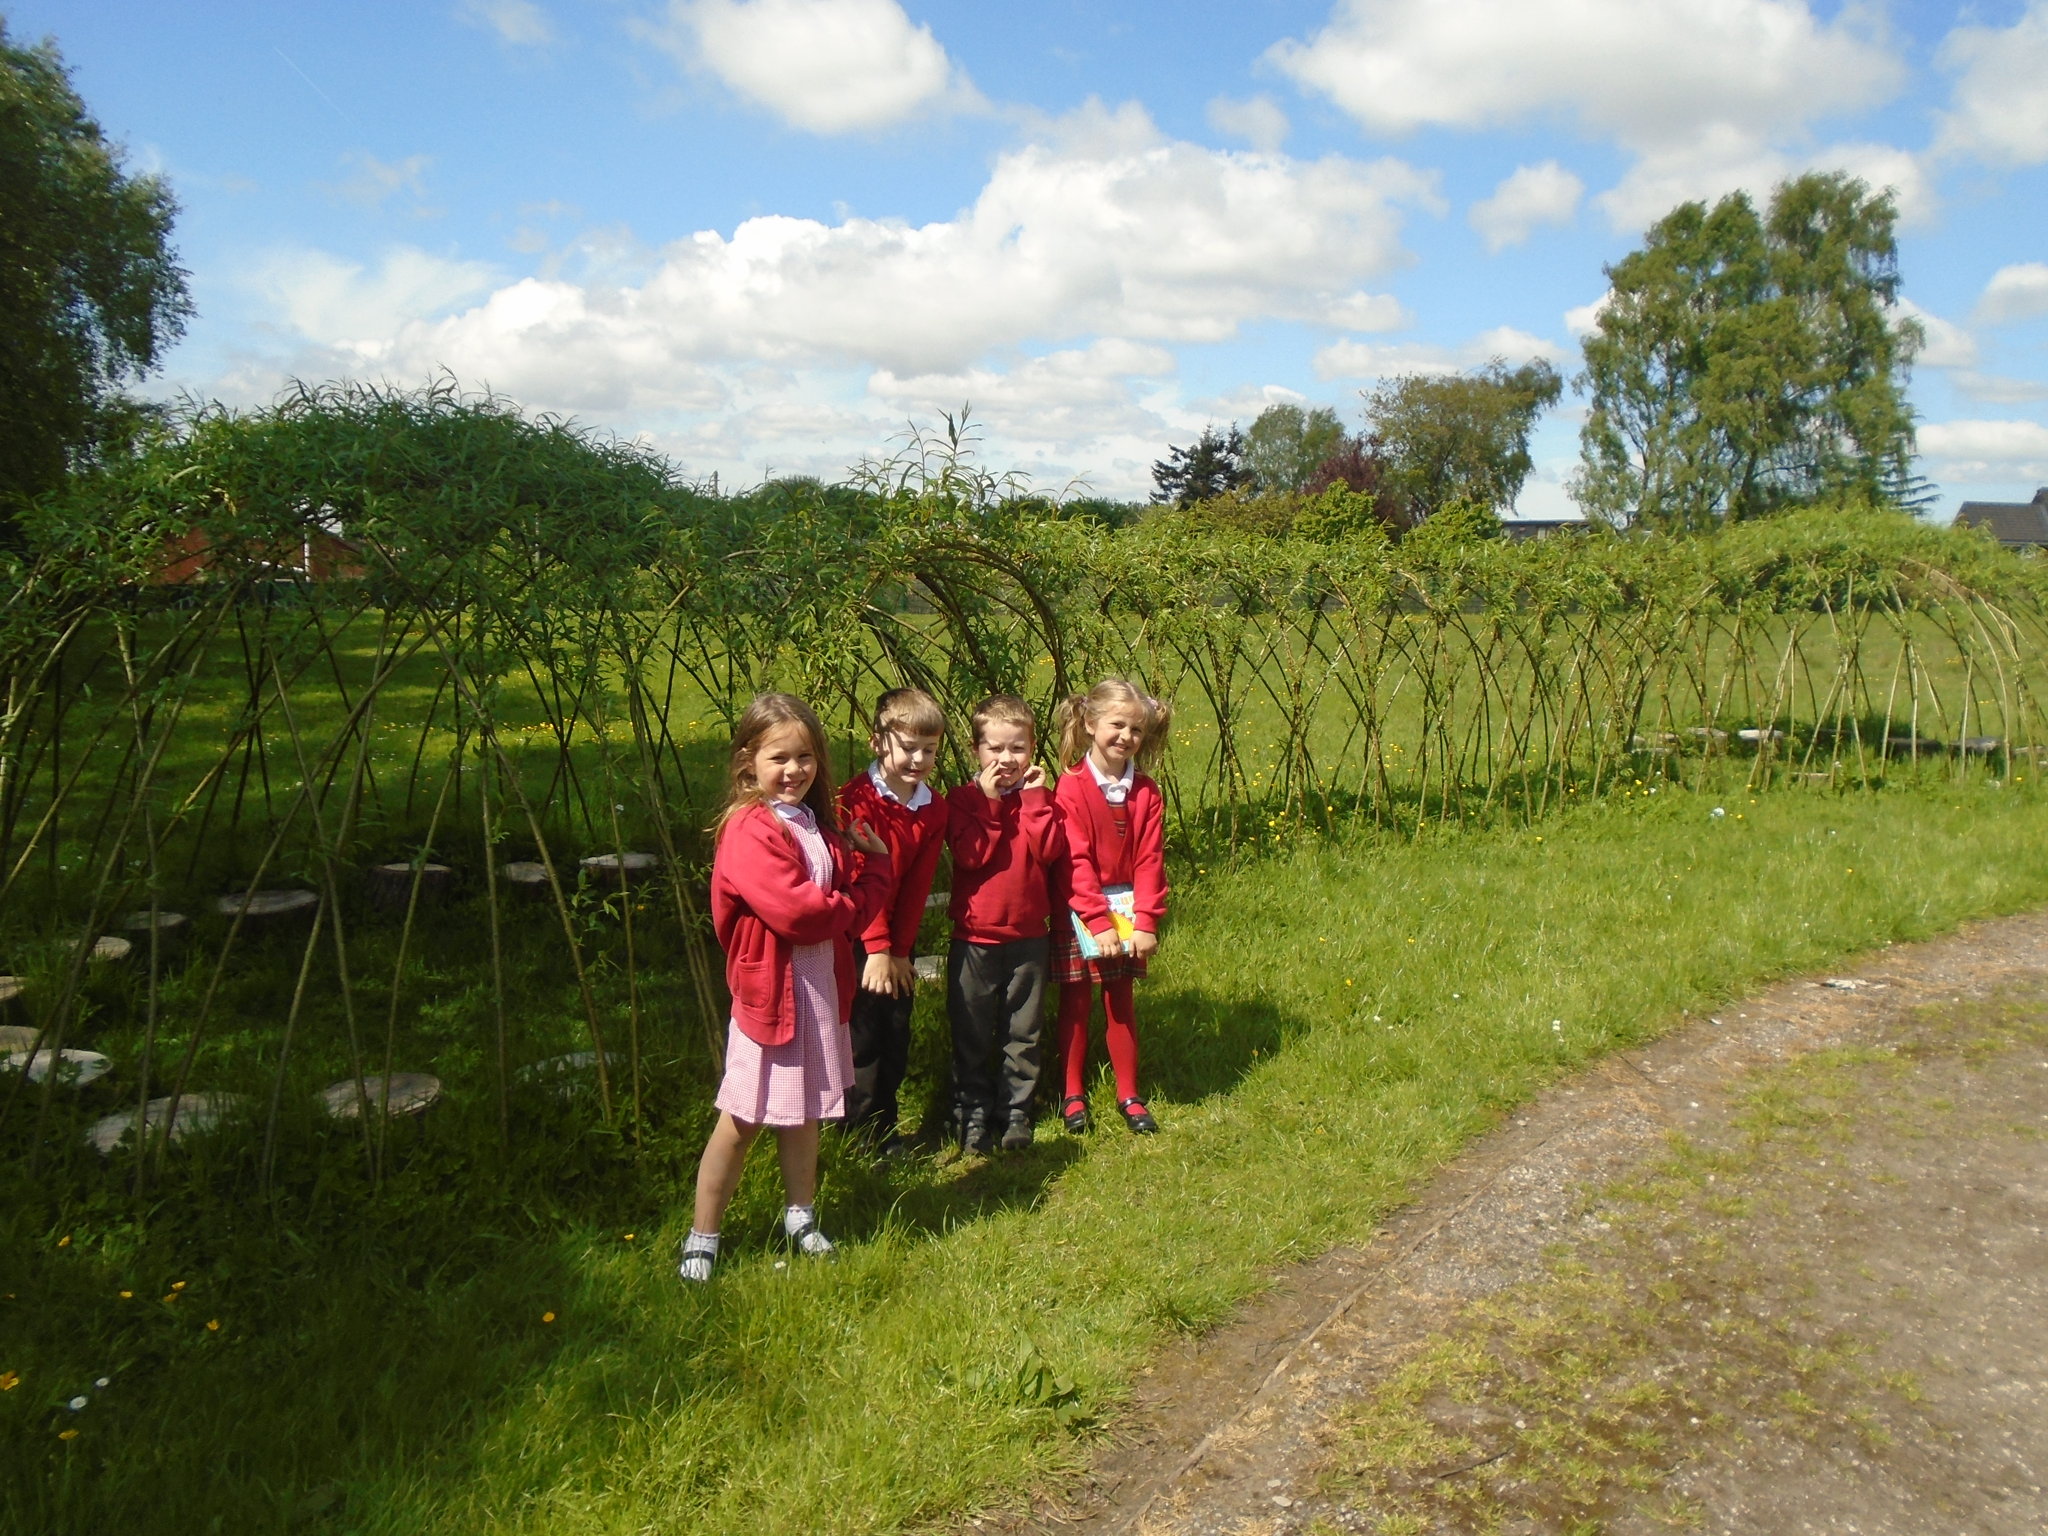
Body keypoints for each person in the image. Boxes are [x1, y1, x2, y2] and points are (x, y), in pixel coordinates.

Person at [678, 693, 891, 1284]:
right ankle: (704, 1234)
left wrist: (870, 866)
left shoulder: (813, 824)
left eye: (805, 757)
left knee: (803, 1114)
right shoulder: (749, 828)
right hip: (772, 996)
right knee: (742, 1117)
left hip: (817, 989)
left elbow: (841, 890)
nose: (794, 770)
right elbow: (800, 915)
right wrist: (855, 897)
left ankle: (800, 1215)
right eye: (779, 758)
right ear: (748, 761)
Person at [944, 693, 1068, 1153]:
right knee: (972, 1033)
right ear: (977, 749)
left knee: (1023, 1033)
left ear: (1032, 749)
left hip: (1029, 937)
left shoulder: (1042, 800)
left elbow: (1049, 851)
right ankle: (970, 1117)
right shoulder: (962, 800)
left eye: (1016, 748)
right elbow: (971, 855)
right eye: (994, 749)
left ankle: (1016, 1113)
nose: (1005, 759)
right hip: (974, 939)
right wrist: (991, 802)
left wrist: (1034, 799)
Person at [1051, 679, 1171, 1136]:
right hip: (1082, 912)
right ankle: (1072, 1092)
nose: (1125, 737)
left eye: (1136, 729)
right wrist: (1097, 921)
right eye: (1116, 725)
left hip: (1130, 913)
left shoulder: (1147, 791)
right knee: (1076, 1003)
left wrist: (1146, 922)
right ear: (1089, 724)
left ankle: (1128, 1092)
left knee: (1121, 1003)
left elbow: (1150, 859)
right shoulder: (1071, 788)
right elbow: (1074, 862)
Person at [835, 687, 948, 1154]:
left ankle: (886, 1127)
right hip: (858, 936)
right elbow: (862, 878)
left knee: (895, 1032)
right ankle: (853, 1137)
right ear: (878, 742)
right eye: (908, 747)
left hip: (897, 944)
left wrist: (901, 951)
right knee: (861, 1037)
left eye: (930, 750)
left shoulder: (933, 807)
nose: (918, 758)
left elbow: (919, 885)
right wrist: (878, 949)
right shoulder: (855, 800)